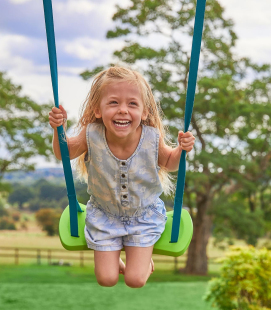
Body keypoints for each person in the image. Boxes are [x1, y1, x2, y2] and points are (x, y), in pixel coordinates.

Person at [49, 66, 195, 288]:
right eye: (114, 102)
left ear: (145, 112)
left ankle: (142, 262)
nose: (123, 110)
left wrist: (181, 150)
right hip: (105, 215)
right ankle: (116, 249)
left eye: (132, 104)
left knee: (135, 280)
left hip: (143, 216)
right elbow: (63, 153)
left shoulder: (151, 138)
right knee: (106, 279)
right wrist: (59, 129)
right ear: (98, 109)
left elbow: (170, 163)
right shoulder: (91, 134)